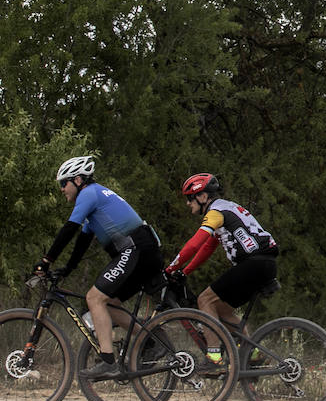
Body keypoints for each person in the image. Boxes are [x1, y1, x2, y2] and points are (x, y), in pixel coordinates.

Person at [34, 155, 164, 379]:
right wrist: (68, 268)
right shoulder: (97, 198)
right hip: (143, 250)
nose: (61, 189)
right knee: (110, 304)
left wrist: (46, 261)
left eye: (63, 184)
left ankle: (107, 361)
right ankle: (151, 339)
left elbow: (68, 230)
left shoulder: (88, 194)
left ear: (77, 180)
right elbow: (82, 241)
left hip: (134, 249)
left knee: (94, 298)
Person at [163, 173, 279, 338]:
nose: (188, 203)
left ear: (203, 196)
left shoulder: (216, 212)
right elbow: (208, 247)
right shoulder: (227, 207)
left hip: (252, 263)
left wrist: (169, 269)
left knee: (205, 300)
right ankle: (252, 355)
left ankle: (213, 355)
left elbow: (194, 244)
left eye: (190, 198)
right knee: (222, 311)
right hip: (265, 262)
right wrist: (184, 272)